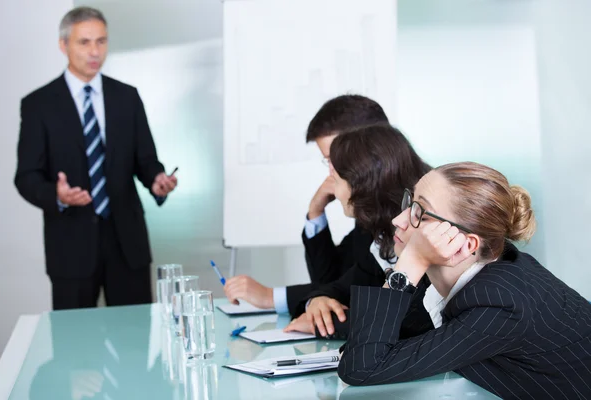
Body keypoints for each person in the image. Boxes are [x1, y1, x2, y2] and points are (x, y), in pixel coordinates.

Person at [336, 161, 591, 399]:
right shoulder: (458, 277)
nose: (398, 220)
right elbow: (372, 344)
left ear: (464, 245)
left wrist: (412, 260)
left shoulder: (501, 305)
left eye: (421, 214)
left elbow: (361, 369)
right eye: (410, 203)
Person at [14, 7, 177, 310]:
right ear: (64, 45)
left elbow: (146, 160)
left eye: (101, 41)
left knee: (135, 343)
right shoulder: (39, 105)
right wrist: (56, 194)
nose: (94, 51)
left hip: (127, 244)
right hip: (70, 247)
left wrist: (157, 179)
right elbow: (26, 176)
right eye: (84, 42)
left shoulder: (127, 97)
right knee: (73, 348)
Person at [223, 95, 390, 316]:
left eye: (335, 160)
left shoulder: (402, 208)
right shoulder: (369, 208)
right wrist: (316, 211)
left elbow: (365, 294)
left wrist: (269, 296)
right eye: (328, 161)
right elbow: (333, 283)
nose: (331, 172)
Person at [285, 127, 432, 338]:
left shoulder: (425, 234)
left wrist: (329, 324)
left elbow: (410, 325)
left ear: (360, 184)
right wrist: (318, 301)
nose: (334, 192)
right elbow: (343, 287)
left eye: (336, 181)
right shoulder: (380, 236)